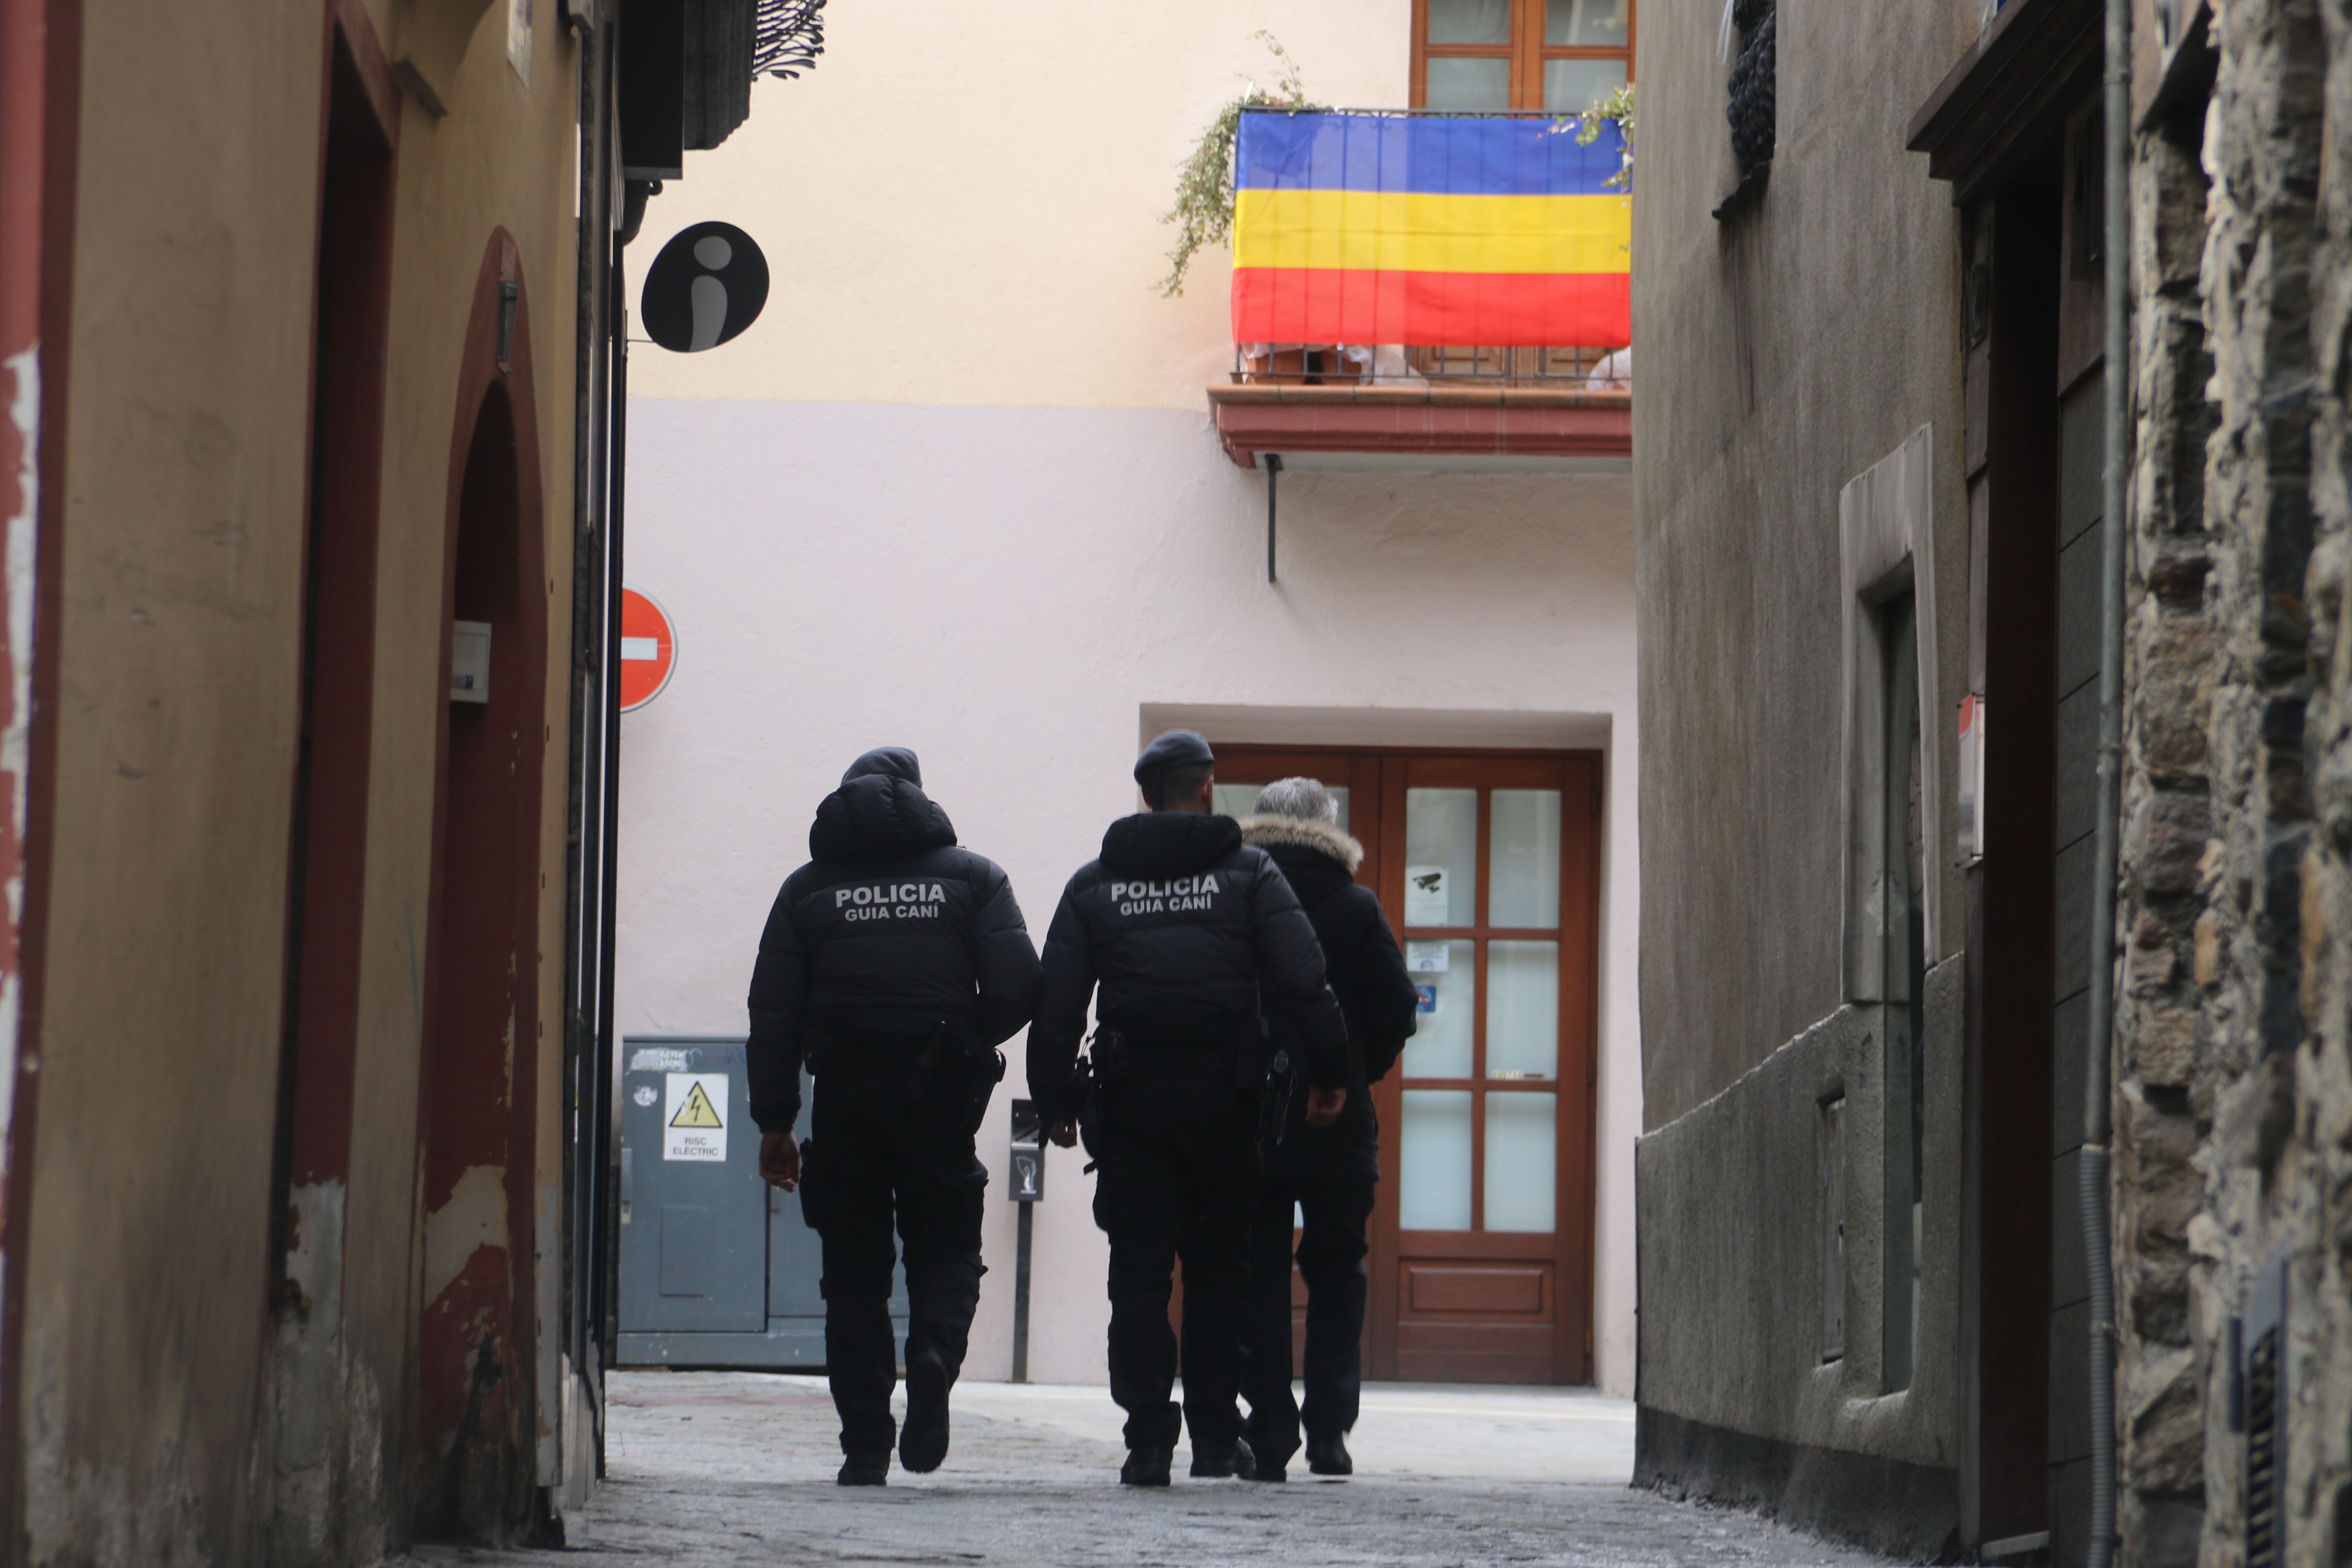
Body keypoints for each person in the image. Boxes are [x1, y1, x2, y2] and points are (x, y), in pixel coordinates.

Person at [1028, 730, 1350, 1487]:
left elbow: (1058, 1006)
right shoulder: (1250, 872)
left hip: (1133, 1107)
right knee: (1219, 1273)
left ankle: (1146, 1440)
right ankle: (1212, 1437)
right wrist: (1331, 1071)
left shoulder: (1093, 886)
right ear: (1207, 789)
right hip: (1227, 1105)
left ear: (1145, 794)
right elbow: (1306, 978)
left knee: (1138, 1274)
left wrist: (1055, 1103)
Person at [746, 747, 1041, 1486]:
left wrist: (775, 1120)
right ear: (917, 799)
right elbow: (1019, 986)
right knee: (945, 1249)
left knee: (853, 1275)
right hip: (939, 1094)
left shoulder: (805, 891)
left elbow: (774, 1013)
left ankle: (866, 1447)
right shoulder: (973, 879)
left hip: (845, 1096)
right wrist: (964, 1039)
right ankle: (935, 1355)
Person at [1234, 778, 1420, 1482]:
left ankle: (1271, 1426)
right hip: (1340, 1122)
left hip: (1254, 1114)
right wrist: (1357, 1073)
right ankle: (1330, 1433)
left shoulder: (1243, 897)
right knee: (1338, 1271)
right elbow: (1398, 1007)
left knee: (1254, 1271)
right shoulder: (1354, 904)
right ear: (1330, 828)